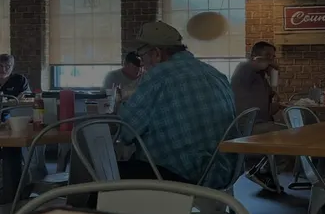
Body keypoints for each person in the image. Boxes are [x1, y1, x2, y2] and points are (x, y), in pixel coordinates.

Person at [118, 22, 236, 189]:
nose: (141, 64)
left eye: (141, 56)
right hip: (224, 174)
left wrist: (122, 105)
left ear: (156, 54)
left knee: (106, 173)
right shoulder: (214, 73)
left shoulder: (159, 76)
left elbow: (125, 131)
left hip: (183, 176)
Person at [231, 41, 282, 193]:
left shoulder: (260, 77)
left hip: (259, 123)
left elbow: (266, 106)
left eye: (273, 56)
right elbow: (256, 63)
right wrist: (273, 66)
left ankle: (263, 170)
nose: (271, 59)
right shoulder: (244, 68)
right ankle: (262, 171)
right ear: (253, 55)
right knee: (289, 136)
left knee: (290, 132)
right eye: (268, 55)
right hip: (246, 127)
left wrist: (276, 104)